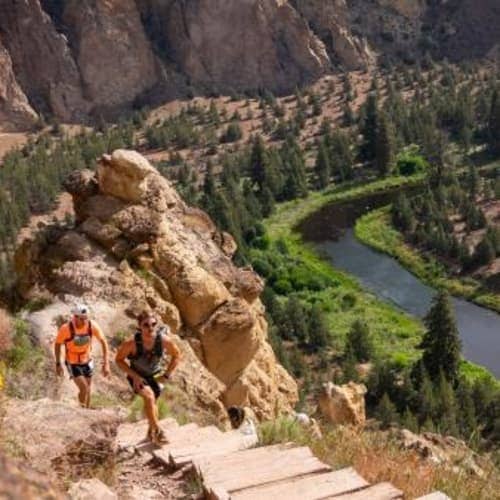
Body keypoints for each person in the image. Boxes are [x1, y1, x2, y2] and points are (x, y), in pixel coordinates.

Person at [115, 311, 181, 444]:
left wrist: (167, 374)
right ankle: (159, 432)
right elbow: (119, 360)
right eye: (146, 325)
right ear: (139, 326)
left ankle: (150, 434)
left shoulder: (163, 341)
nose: (150, 328)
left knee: (152, 403)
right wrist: (135, 376)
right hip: (137, 376)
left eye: (153, 324)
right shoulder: (131, 343)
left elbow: (177, 355)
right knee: (149, 397)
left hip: (155, 376)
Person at [54, 304, 110, 408]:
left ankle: (86, 411)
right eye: (82, 319)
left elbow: (103, 342)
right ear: (75, 317)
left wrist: (106, 363)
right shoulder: (66, 328)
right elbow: (57, 344)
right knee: (84, 388)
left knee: (88, 388)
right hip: (72, 362)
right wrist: (58, 363)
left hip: (87, 360)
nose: (84, 321)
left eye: (86, 318)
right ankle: (82, 410)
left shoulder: (91, 325)